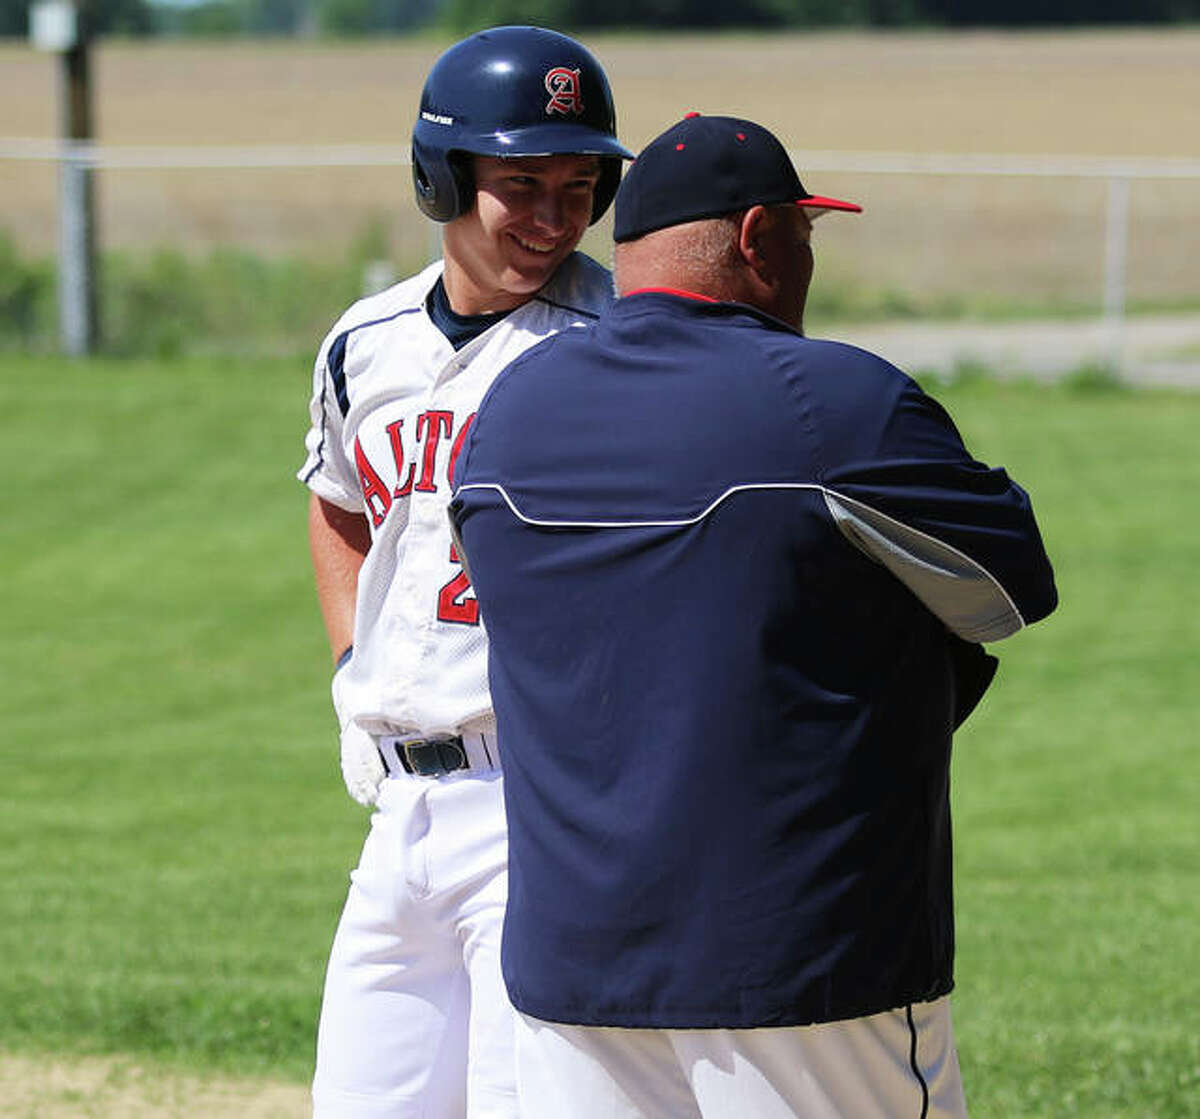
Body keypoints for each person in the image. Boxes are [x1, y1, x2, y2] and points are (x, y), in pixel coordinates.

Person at [449, 113, 1059, 1119]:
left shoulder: (509, 410)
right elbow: (1008, 589)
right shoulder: (834, 403)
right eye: (806, 235)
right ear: (759, 239)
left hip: (572, 965)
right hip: (803, 961)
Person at [296, 26, 631, 1118]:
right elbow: (340, 506)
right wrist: (354, 668)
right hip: (399, 812)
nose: (551, 217)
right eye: (519, 184)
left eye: (578, 187)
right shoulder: (364, 342)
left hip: (540, 799)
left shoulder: (614, 344)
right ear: (443, 179)